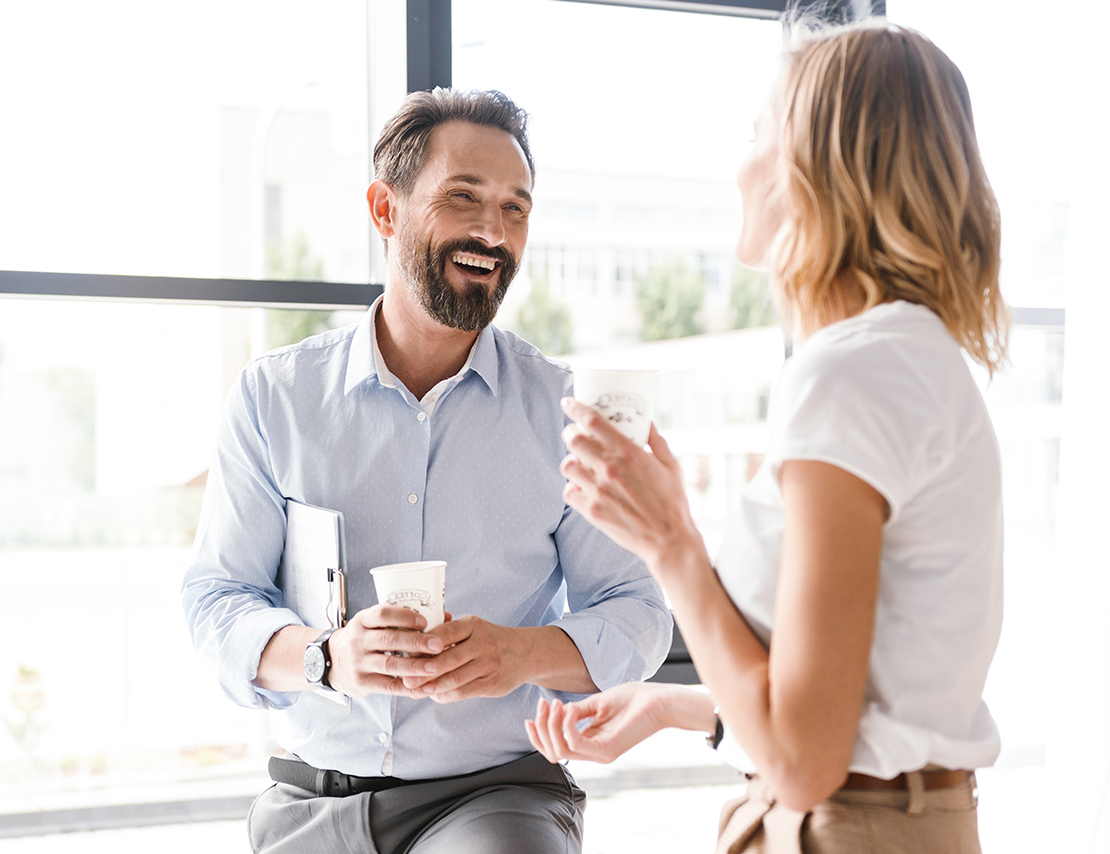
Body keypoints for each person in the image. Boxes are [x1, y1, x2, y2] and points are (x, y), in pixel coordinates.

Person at [527, 19, 1007, 854]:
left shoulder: (847, 375)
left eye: (757, 135)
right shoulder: (912, 356)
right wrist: (675, 705)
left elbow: (802, 761)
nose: (739, 164)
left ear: (815, 168)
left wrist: (669, 541)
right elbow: (855, 697)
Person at [182, 88, 672, 854]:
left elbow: (637, 611)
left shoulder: (567, 409)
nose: (493, 231)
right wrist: (327, 657)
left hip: (495, 793)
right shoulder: (275, 396)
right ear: (385, 210)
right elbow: (217, 599)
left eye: (516, 208)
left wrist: (520, 652)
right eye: (463, 198)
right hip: (312, 796)